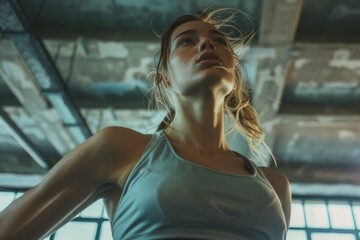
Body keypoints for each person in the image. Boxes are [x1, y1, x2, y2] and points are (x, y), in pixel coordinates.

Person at [0, 8, 291, 240]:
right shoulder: (120, 149)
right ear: (164, 77)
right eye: (187, 41)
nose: (207, 43)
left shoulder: (276, 187)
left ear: (234, 73)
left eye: (219, 42)